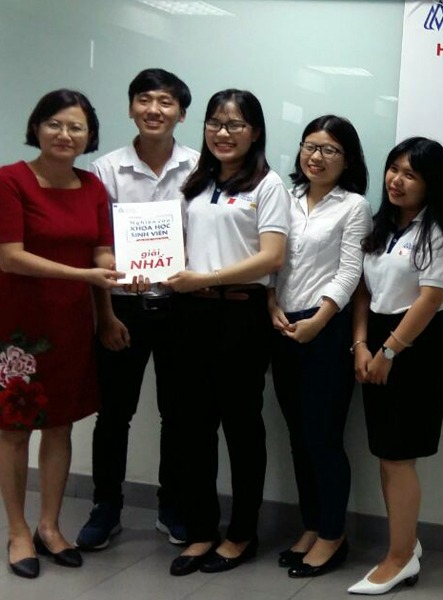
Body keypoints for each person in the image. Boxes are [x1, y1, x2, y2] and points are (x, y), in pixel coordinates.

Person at [0, 89, 120, 578]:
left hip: (72, 321)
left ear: (89, 136)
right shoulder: (10, 179)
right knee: (15, 428)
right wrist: (86, 274)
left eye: (76, 127)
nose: (65, 134)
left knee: (60, 425)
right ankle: (17, 532)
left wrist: (107, 308)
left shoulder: (92, 186)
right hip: (20, 326)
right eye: (55, 124)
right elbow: (11, 257)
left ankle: (49, 527)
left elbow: (101, 253)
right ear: (36, 127)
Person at [163, 89, 289, 576]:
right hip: (188, 315)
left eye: (235, 124)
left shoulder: (268, 185)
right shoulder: (195, 182)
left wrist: (206, 279)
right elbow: (178, 245)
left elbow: (271, 257)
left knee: (241, 427)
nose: (223, 132)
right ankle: (201, 531)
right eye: (215, 122)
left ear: (254, 132)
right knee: (192, 428)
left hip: (240, 316)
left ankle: (240, 534)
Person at [75, 68, 198, 552]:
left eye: (166, 102)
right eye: (144, 100)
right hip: (122, 308)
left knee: (179, 414)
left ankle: (172, 507)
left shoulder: (200, 167)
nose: (154, 109)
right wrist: (105, 315)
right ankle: (106, 507)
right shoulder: (104, 170)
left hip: (182, 308)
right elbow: (96, 246)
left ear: (181, 114)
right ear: (130, 108)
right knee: (113, 414)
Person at [347, 137, 443, 595]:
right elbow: (364, 290)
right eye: (394, 169)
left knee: (399, 457)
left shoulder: (437, 232)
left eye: (411, 174)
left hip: (417, 344)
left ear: (430, 183)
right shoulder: (382, 226)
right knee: (387, 452)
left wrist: (388, 352)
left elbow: (430, 299)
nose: (397, 181)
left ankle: (399, 558)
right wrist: (361, 345)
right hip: (378, 339)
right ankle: (405, 545)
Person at [267, 115, 371, 578]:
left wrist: (319, 320)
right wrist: (271, 302)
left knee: (323, 437)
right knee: (297, 435)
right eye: (310, 146)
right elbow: (273, 259)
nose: (316, 156)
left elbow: (350, 272)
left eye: (329, 149)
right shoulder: (284, 198)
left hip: (326, 328)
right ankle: (311, 525)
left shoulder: (354, 206)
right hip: (282, 323)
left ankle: (333, 534)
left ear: (347, 159)